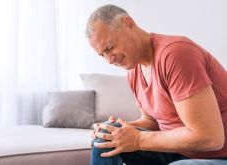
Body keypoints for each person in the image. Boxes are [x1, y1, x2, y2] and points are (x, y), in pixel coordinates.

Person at [86, 4, 227, 165]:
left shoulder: (176, 54)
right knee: (106, 137)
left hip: (217, 156)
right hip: (176, 152)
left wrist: (138, 139)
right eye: (103, 55)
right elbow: (152, 122)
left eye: (110, 47)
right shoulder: (134, 71)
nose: (110, 60)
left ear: (128, 24)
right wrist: (118, 131)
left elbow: (210, 138)